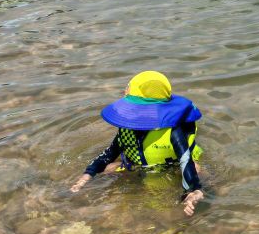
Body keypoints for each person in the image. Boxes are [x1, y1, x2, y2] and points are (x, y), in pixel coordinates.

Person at [69, 71, 205, 217]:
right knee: (108, 169)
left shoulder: (173, 130)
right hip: (139, 164)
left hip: (172, 164)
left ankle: (200, 193)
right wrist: (86, 177)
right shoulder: (128, 126)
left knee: (196, 168)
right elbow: (109, 153)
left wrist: (193, 190)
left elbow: (185, 159)